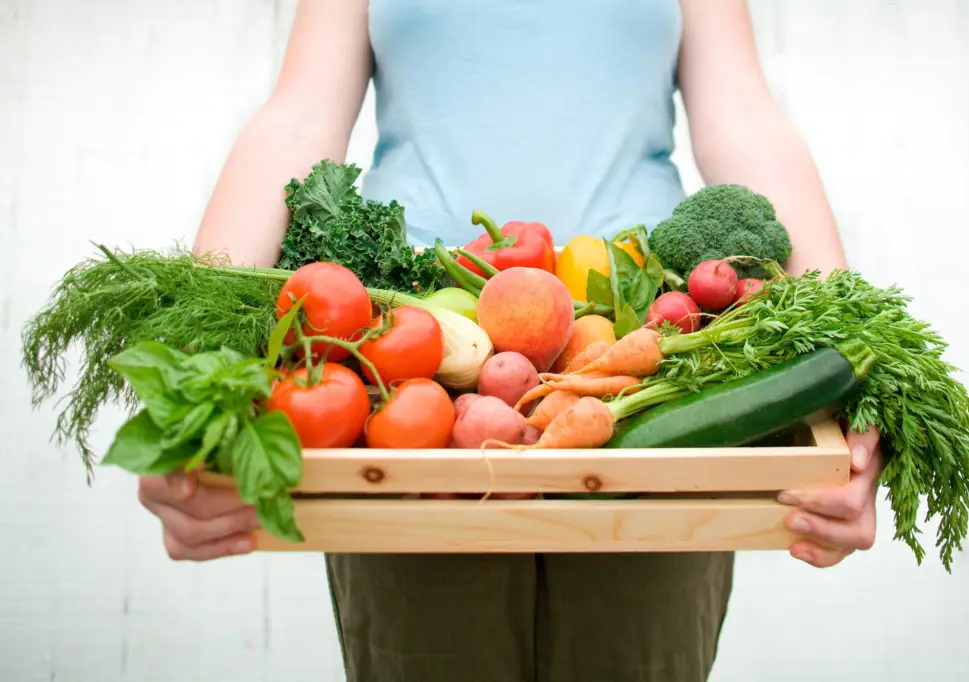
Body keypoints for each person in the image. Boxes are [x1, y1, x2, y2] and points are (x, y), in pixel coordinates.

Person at [137, 1, 883, 680]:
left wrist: (855, 368)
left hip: (647, 364)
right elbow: (298, 121)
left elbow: (744, 116)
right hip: (409, 377)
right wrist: (193, 361)